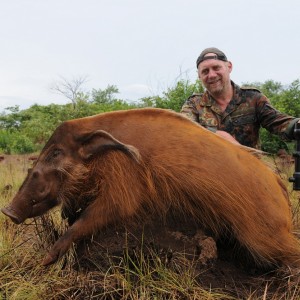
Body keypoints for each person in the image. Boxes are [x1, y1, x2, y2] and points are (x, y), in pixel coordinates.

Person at [180, 47, 300, 149]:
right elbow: (183, 130)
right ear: (199, 76)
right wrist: (216, 135)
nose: (211, 75)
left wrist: (297, 125)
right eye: (205, 71)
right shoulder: (194, 104)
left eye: (216, 68)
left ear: (229, 67)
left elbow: (279, 123)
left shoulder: (253, 98)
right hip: (209, 173)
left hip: (250, 171)